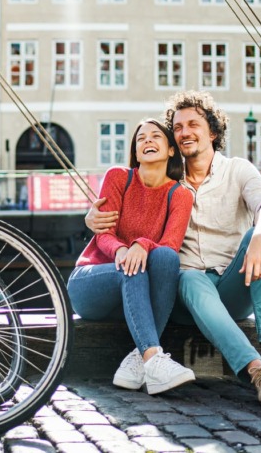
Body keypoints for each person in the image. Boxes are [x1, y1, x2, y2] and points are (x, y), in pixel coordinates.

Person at [87, 91, 261, 406]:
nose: (185, 132)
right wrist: (91, 218)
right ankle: (256, 370)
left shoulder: (238, 170)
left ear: (212, 132)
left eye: (193, 124)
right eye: (178, 127)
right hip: (186, 294)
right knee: (190, 278)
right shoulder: (168, 182)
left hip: (233, 283)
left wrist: (260, 234)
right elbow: (131, 207)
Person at [68, 119, 196, 395]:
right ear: (136, 152)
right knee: (132, 266)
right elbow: (103, 234)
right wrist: (123, 250)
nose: (147, 140)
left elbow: (170, 245)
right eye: (141, 138)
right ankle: (153, 359)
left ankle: (138, 362)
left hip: (135, 296)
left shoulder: (181, 195)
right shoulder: (118, 177)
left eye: (155, 136)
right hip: (92, 283)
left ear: (171, 150)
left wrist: (142, 245)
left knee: (166, 258)